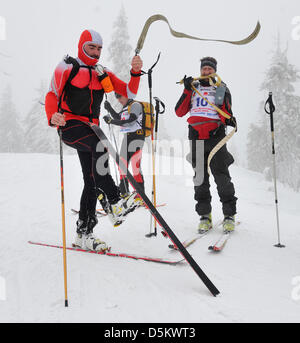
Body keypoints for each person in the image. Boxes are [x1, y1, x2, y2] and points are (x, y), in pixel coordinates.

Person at [45, 29, 143, 252]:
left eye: (99, 48)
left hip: (91, 128)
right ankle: (115, 201)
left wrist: (135, 72)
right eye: (92, 47)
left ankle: (84, 233)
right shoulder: (67, 68)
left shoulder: (102, 73)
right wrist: (53, 116)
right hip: (69, 125)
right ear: (82, 46)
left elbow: (128, 93)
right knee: (100, 147)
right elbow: (52, 94)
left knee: (91, 181)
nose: (96, 52)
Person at [175, 56, 237, 233]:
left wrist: (227, 113)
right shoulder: (193, 87)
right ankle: (204, 215)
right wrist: (187, 90)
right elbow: (179, 112)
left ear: (214, 70)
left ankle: (229, 215)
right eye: (204, 68)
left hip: (215, 136)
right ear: (200, 69)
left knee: (221, 176)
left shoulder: (221, 88)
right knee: (200, 178)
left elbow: (226, 114)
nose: (207, 71)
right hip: (196, 135)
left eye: (210, 69)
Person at [103, 93, 145, 205]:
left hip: (137, 137)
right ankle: (124, 193)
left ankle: (141, 196)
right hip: (127, 138)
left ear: (126, 95)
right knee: (122, 165)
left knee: (135, 167)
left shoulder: (135, 105)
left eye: (120, 96)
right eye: (116, 97)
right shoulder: (125, 107)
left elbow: (130, 121)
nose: (118, 99)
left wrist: (111, 121)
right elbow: (119, 118)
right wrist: (110, 109)